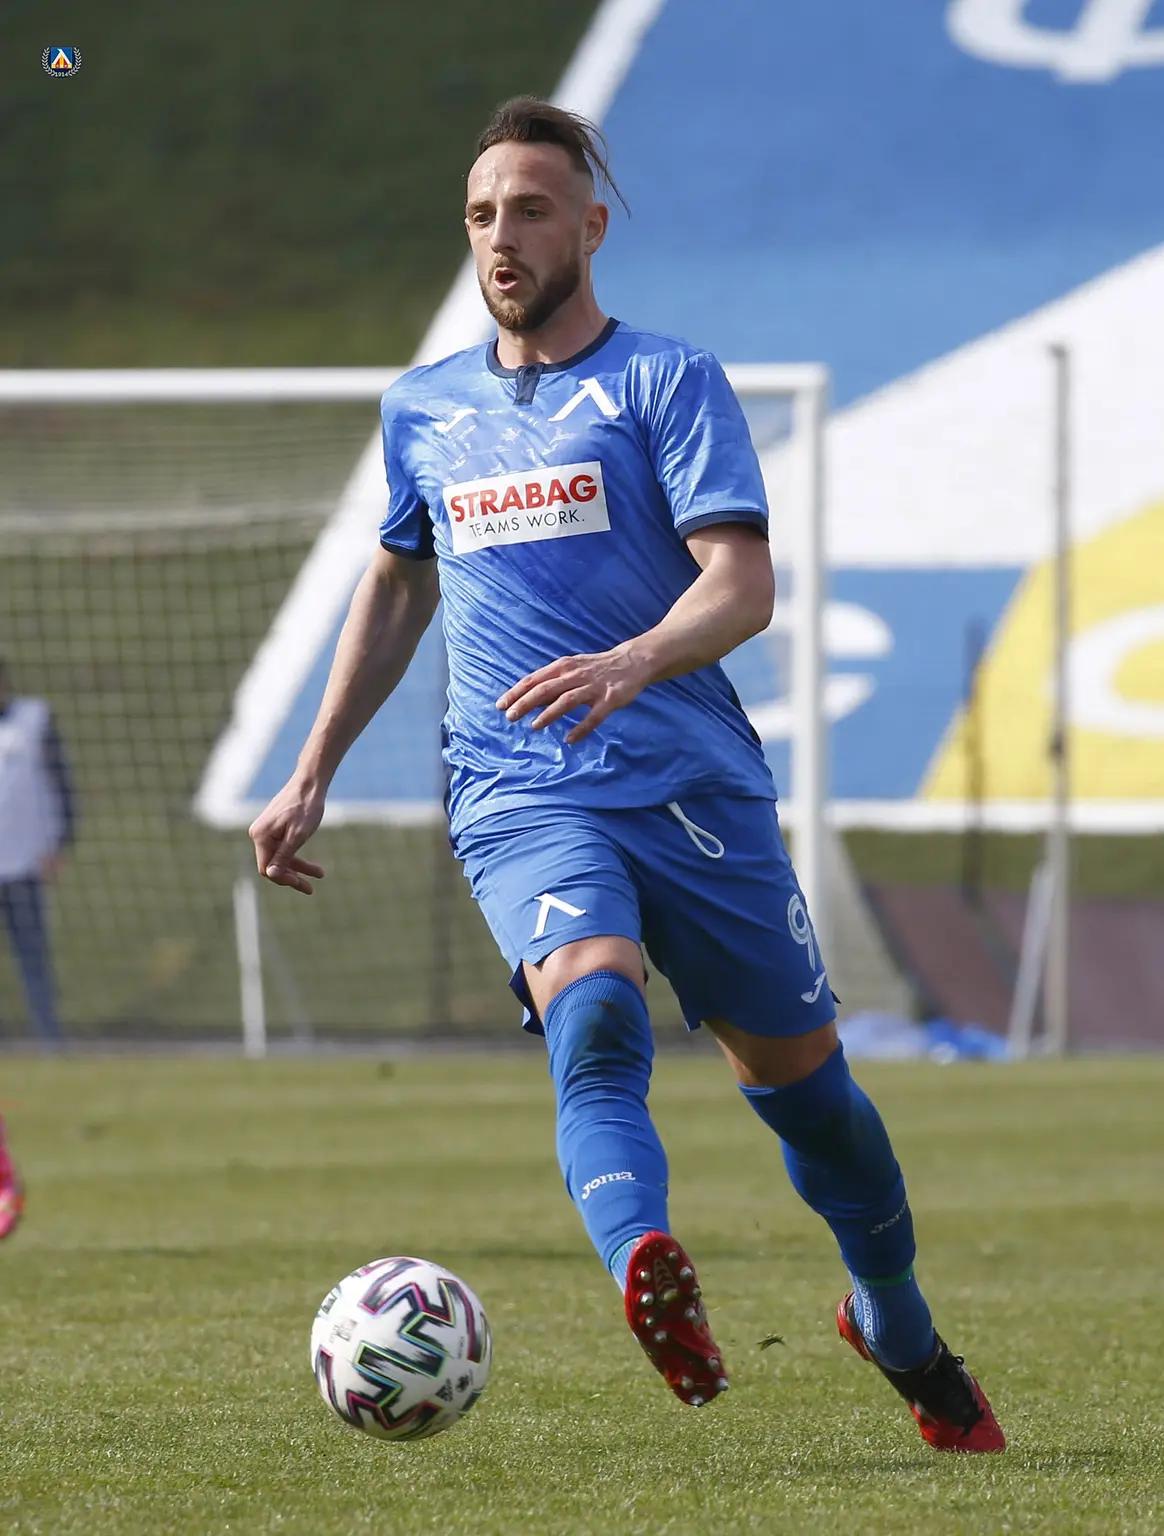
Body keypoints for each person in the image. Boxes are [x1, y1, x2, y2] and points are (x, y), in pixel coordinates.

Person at [249, 98, 1004, 1451]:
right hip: (519, 788)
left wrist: (634, 661)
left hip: (691, 786)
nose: (503, 236)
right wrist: (311, 768)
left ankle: (894, 1321)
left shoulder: (665, 382)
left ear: (590, 227)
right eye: (482, 214)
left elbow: (743, 585)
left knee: (811, 1097)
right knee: (592, 1008)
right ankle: (646, 1262)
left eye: (532, 210)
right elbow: (398, 583)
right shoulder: (424, 408)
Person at [0, 659, 73, 1047]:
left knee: (32, 954)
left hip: (24, 863)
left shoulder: (34, 720)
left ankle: (49, 1039)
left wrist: (58, 842)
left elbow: (61, 783)